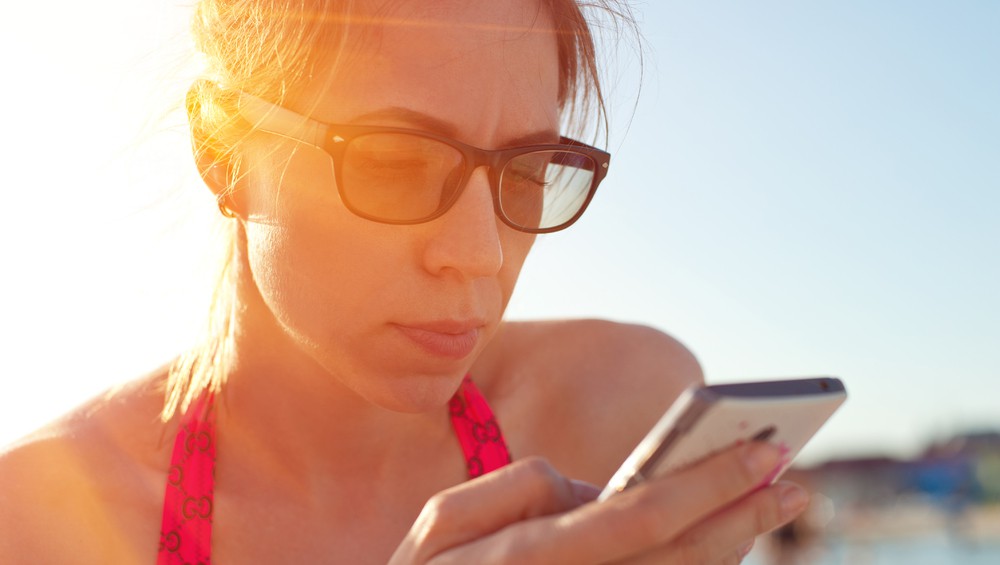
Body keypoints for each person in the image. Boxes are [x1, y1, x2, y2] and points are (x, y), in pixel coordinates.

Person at [0, 0, 809, 562]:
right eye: (394, 161)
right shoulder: (46, 523)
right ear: (221, 148)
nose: (480, 253)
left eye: (528, 170)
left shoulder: (619, 411)